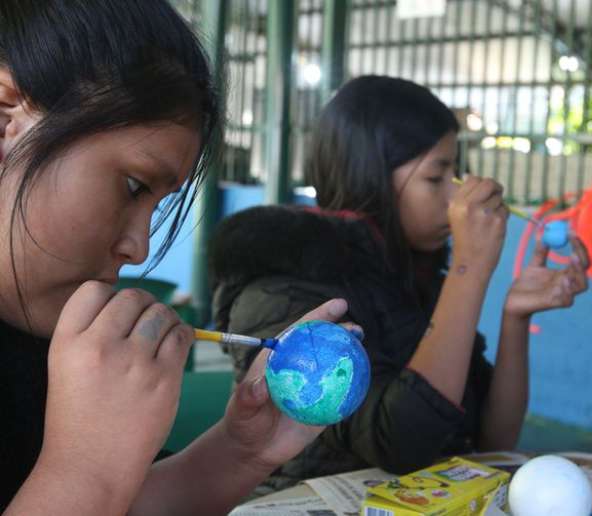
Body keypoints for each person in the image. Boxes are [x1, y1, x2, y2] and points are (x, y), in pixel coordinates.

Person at [0, 1, 345, 514]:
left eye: (156, 204)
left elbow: (125, 504)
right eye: (133, 186)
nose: (137, 248)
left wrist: (242, 451)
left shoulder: (35, 352)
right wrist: (84, 472)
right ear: (8, 119)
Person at [210, 75, 590, 492]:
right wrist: (470, 270)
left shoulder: (411, 275)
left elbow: (493, 441)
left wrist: (515, 316)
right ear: (372, 174)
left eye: (456, 176)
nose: (453, 197)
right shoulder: (283, 285)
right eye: (436, 177)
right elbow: (400, 443)